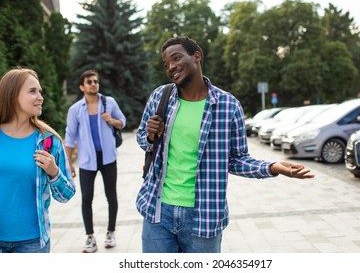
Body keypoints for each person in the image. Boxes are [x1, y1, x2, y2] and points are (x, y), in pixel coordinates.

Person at [136, 36, 315, 253]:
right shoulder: (160, 97)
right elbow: (143, 141)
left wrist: (271, 167)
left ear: (196, 56)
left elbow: (237, 159)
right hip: (157, 212)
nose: (172, 67)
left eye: (176, 58)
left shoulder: (228, 106)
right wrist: (150, 135)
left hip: (203, 216)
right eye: (166, 64)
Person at [0, 67, 76, 253]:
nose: (40, 97)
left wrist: (54, 172)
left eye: (40, 91)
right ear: (12, 95)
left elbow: (67, 195)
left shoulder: (49, 141)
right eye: (32, 91)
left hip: (32, 244)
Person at [65, 69, 126, 253]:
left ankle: (110, 232)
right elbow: (69, 138)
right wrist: (69, 164)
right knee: (86, 198)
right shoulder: (75, 109)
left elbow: (123, 121)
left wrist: (112, 120)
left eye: (96, 81)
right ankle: (90, 237)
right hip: (86, 161)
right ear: (82, 87)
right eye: (89, 82)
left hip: (108, 158)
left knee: (111, 196)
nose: (94, 84)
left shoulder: (109, 103)